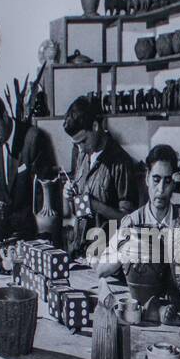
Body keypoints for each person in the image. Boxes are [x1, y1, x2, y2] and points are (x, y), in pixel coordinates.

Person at [63, 95, 136, 256]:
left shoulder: (120, 162)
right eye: (76, 144)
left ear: (95, 126)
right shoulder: (82, 154)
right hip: (80, 250)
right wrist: (69, 197)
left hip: (106, 256)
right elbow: (80, 212)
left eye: (83, 141)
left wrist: (96, 205)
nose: (80, 149)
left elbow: (128, 220)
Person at [0, 92, 59, 240]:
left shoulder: (33, 138)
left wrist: (41, 238)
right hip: (7, 232)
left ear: (5, 116)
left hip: (32, 231)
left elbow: (43, 193)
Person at [96, 143, 180, 279]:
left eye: (167, 181)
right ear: (147, 178)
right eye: (156, 180)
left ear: (174, 183)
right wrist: (125, 251)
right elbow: (101, 270)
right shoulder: (132, 221)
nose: (161, 189)